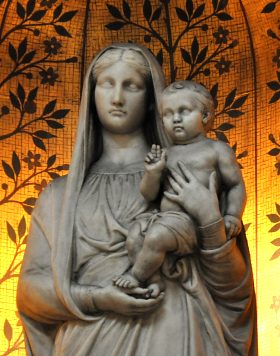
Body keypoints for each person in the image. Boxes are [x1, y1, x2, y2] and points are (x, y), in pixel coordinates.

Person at [17, 44, 257, 355]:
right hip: (89, 345)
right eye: (107, 84)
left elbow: (234, 291)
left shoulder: (188, 176)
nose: (117, 97)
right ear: (91, 95)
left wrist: (210, 218)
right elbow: (30, 294)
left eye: (132, 85)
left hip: (176, 338)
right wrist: (98, 297)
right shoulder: (58, 196)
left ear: (150, 100)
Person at [114, 80, 246, 297]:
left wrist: (232, 215)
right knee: (135, 235)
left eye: (184, 111)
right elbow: (149, 195)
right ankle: (154, 280)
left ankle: (136, 275)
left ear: (204, 116)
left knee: (157, 237)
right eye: (168, 114)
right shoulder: (166, 153)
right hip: (164, 218)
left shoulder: (216, 150)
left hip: (191, 223)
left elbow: (235, 185)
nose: (175, 118)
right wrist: (153, 172)